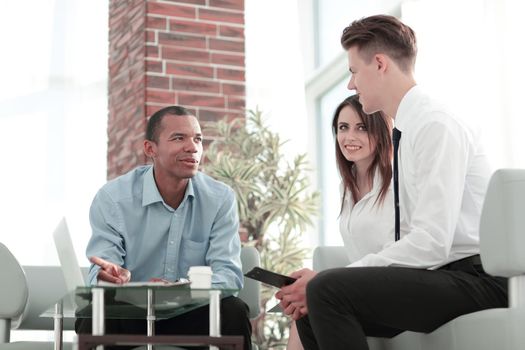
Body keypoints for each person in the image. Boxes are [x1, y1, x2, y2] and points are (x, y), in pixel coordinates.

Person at [279, 15, 508, 350]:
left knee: (325, 291)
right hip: (442, 274)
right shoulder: (408, 129)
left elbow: (431, 241)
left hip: (476, 279)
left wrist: (330, 279)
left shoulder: (435, 124)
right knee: (310, 311)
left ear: (380, 64)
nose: (351, 85)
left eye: (354, 71)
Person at [76, 105, 252, 350]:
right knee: (93, 313)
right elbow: (103, 269)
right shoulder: (113, 198)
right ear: (151, 149)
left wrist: (182, 290)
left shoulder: (220, 199)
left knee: (233, 311)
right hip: (134, 314)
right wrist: (110, 278)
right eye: (179, 138)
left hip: (194, 313)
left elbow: (228, 274)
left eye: (197, 139)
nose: (192, 147)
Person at [284, 94, 394, 350]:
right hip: (361, 288)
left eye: (361, 127)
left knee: (316, 299)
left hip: (391, 286)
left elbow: (396, 252)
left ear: (379, 132)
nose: (349, 137)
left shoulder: (396, 182)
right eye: (343, 128)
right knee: (303, 308)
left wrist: (325, 280)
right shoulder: (348, 185)